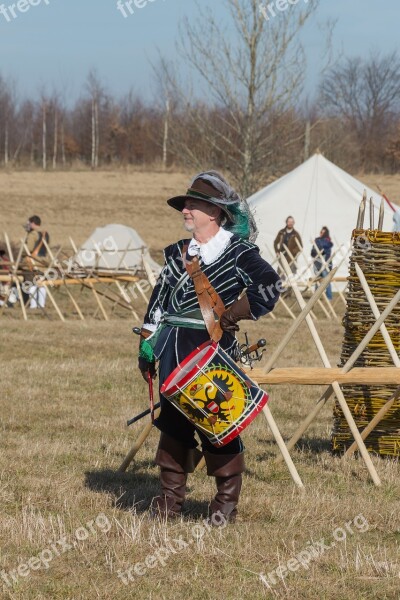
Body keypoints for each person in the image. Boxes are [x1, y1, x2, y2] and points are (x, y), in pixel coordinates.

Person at [138, 171, 280, 523]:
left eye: (193, 205)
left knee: (218, 423)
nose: (185, 210)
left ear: (214, 212)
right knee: (173, 426)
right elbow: (158, 302)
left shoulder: (238, 252)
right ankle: (168, 506)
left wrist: (231, 317)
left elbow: (270, 286)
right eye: (185, 204)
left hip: (210, 352)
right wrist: (146, 343)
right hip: (171, 348)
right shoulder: (177, 254)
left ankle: (223, 509)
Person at [21, 215, 50, 309]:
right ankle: (41, 305)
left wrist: (21, 253)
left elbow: (28, 249)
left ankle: (33, 305)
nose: (28, 225)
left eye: (29, 223)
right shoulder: (46, 234)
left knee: (31, 283)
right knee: (41, 284)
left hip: (32, 262)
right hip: (43, 263)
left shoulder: (32, 234)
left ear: (33, 223)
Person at [311, 226, 333, 300]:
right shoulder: (317, 240)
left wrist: (317, 245)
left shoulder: (327, 242)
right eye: (321, 232)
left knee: (326, 281)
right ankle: (316, 297)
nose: (321, 234)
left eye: (323, 233)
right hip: (317, 263)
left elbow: (325, 250)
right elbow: (312, 252)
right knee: (317, 280)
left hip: (325, 264)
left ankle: (329, 297)